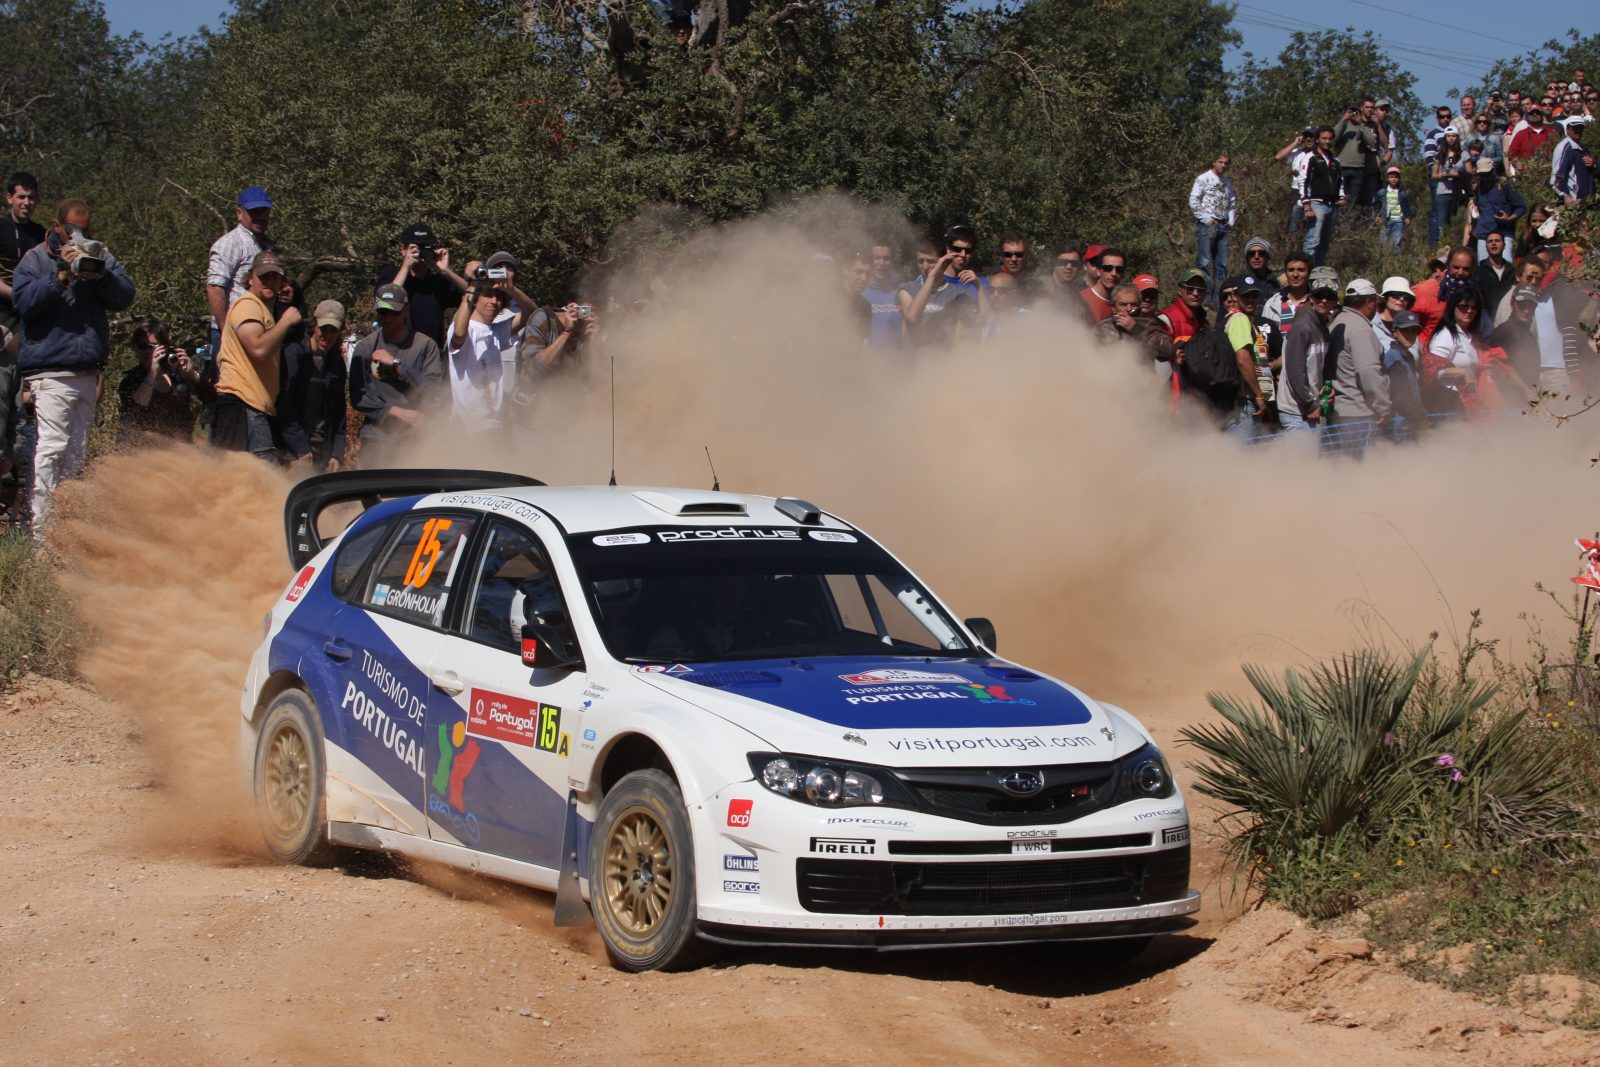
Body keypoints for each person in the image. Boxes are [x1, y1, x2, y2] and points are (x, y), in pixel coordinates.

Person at [12, 198, 135, 538]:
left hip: (86, 370)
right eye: (72, 229)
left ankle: (65, 530)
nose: (79, 235)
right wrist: (60, 275)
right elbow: (23, 302)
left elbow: (125, 295)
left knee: (76, 455)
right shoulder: (36, 258)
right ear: (57, 226)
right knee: (51, 448)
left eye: (85, 228)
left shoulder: (99, 253)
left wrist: (100, 274)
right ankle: (40, 533)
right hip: (51, 371)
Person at [212, 250, 300, 461]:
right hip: (244, 404)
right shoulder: (248, 305)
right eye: (263, 276)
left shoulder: (262, 310)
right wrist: (286, 321)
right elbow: (258, 349)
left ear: (281, 282)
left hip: (252, 406)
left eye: (274, 276)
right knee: (263, 474)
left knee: (240, 474)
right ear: (250, 279)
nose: (269, 281)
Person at [348, 283, 444, 452]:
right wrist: (393, 411)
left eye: (394, 312)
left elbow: (433, 390)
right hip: (376, 436)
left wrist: (397, 366)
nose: (388, 317)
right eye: (383, 312)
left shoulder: (425, 346)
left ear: (406, 310)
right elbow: (358, 396)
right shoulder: (365, 347)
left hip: (415, 437)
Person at [445, 264, 540, 433]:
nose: (494, 301)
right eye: (488, 295)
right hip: (468, 427)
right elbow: (459, 334)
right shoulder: (463, 327)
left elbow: (533, 314)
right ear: (476, 299)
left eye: (499, 297)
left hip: (495, 425)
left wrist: (511, 289)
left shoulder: (497, 331)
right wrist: (472, 286)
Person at [277, 300, 348, 473]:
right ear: (314, 325)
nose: (327, 335)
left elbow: (339, 412)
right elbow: (284, 405)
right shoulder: (295, 354)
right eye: (323, 328)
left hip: (322, 451)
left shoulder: (337, 362)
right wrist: (299, 446)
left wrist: (337, 453)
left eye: (333, 330)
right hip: (293, 451)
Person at [205, 186, 275, 357]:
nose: (260, 216)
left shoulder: (268, 246)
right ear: (239, 213)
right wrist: (227, 330)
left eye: (263, 211)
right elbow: (214, 288)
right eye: (254, 212)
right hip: (233, 333)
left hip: (259, 332)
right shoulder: (230, 244)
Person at [375, 222, 469, 347]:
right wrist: (406, 266)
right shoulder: (391, 274)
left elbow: (471, 294)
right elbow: (386, 299)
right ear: (403, 250)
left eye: (426, 247)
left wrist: (446, 271)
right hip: (396, 350)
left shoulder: (438, 282)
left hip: (431, 352)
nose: (421, 253)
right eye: (417, 248)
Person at [1326, 279, 1390, 452]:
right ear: (1368, 302)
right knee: (1364, 465)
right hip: (1360, 414)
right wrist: (1382, 407)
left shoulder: (1337, 323)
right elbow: (1368, 372)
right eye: (1376, 302)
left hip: (1339, 412)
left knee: (1345, 465)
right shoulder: (1360, 329)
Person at [118, 317, 200, 444]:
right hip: (141, 448)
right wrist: (152, 372)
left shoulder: (178, 375)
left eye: (152, 346)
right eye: (142, 346)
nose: (147, 351)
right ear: (136, 348)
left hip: (179, 447)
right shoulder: (130, 381)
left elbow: (209, 398)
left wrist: (192, 374)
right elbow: (136, 408)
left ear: (164, 347)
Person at [1277, 266, 1340, 431]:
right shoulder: (1302, 328)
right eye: (1319, 296)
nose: (1324, 301)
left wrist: (1326, 391)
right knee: (1302, 450)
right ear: (1311, 298)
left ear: (1335, 301)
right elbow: (1295, 371)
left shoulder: (1323, 328)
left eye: (1329, 296)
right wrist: (1310, 404)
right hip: (1296, 410)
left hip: (1309, 407)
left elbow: (1318, 368)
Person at [899, 231, 985, 347]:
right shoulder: (907, 288)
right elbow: (912, 317)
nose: (925, 266)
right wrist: (932, 277)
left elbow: (963, 335)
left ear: (944, 262)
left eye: (931, 262)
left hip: (941, 357)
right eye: (921, 261)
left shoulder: (960, 294)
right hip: (912, 357)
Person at [1422, 286, 1492, 416]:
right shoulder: (1445, 335)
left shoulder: (1469, 335)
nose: (1469, 311)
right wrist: (1463, 372)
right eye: (1463, 306)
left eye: (1474, 307)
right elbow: (1432, 371)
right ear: (1453, 307)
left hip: (1464, 400)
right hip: (1447, 401)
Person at [1221, 275, 1272, 437]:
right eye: (1245, 296)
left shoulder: (1239, 320)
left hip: (1244, 399)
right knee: (1239, 450)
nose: (1250, 300)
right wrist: (1259, 395)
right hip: (1245, 400)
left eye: (1254, 296)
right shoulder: (1240, 320)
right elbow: (1243, 360)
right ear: (1235, 296)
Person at [0, 172, 45, 331]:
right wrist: (17, 295)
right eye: (21, 197)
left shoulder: (41, 233)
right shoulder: (1, 228)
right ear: (9, 198)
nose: (26, 202)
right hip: (3, 312)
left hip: (32, 312)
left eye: (31, 197)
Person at [1188, 154, 1235, 306]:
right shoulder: (1203, 178)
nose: (1223, 165)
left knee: (1222, 265)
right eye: (1220, 162)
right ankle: (1204, 299)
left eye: (1226, 163)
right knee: (1204, 262)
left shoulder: (1227, 182)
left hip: (1223, 225)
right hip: (1208, 224)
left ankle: (1218, 300)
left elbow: (1231, 202)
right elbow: (1193, 200)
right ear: (1214, 162)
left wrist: (1231, 221)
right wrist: (1206, 218)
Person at [1412, 246, 1476, 348]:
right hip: (1430, 352)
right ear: (1447, 265)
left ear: (1473, 268)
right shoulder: (1424, 291)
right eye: (1456, 267)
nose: (1460, 272)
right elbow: (1403, 323)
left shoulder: (1476, 294)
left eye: (1466, 269)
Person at [1383, 310, 1431, 436]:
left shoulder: (1408, 356)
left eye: (1414, 331)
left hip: (1410, 422)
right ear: (1395, 332)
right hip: (1400, 425)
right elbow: (1400, 396)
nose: (1410, 335)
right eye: (1405, 330)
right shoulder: (1393, 357)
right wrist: (1420, 417)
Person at [1300, 127, 1344, 267]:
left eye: (1330, 139)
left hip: (1332, 205)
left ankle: (1318, 270)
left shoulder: (1335, 160)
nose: (1327, 141)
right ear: (1317, 140)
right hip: (1316, 203)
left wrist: (1341, 196)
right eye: (1324, 138)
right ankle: (1305, 270)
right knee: (1313, 240)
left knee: (1325, 242)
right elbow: (1304, 181)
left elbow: (1340, 181)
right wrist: (1306, 205)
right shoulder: (1310, 157)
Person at [1468, 161, 1526, 263]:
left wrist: (1509, 218)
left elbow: (1521, 207)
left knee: (1506, 263)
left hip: (1504, 232)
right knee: (1484, 266)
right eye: (1481, 175)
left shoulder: (1506, 185)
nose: (1484, 178)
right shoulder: (1478, 189)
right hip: (1484, 233)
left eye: (1487, 174)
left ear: (1493, 171)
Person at [862, 241, 904, 350]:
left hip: (895, 358)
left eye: (886, 258)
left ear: (892, 262)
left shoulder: (901, 292)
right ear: (870, 260)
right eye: (877, 258)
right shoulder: (860, 292)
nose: (881, 263)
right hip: (864, 359)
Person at [1429, 130, 1465, 247]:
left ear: (1457, 138)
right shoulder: (1439, 155)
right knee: (1442, 225)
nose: (1451, 138)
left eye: (1453, 136)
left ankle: (1458, 247)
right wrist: (1443, 175)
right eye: (1448, 136)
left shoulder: (1463, 154)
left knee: (1457, 222)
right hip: (1442, 192)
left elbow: (1469, 173)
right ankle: (1443, 248)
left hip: (1457, 192)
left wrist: (1457, 174)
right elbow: (1434, 175)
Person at [1552, 116, 1596, 205]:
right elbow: (1557, 175)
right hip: (1573, 200)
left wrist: (1593, 164)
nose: (1578, 131)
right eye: (1575, 128)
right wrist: (1565, 195)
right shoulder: (1565, 148)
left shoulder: (1582, 148)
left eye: (1580, 128)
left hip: (1586, 199)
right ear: (1568, 128)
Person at [1079, 247, 1125, 323]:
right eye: (1107, 268)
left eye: (1119, 269)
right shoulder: (1080, 300)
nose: (1114, 273)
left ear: (1123, 274)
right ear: (1098, 271)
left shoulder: (1126, 303)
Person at [1472, 232, 1515, 313]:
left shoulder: (1512, 271)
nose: (1493, 243)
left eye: (1497, 241)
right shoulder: (1479, 272)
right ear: (1486, 246)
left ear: (1504, 245)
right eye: (1490, 241)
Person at [1373, 166, 1413, 251]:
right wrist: (1377, 216)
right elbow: (1376, 205)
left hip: (1398, 220)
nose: (1394, 179)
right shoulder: (1382, 192)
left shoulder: (1402, 193)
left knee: (1396, 242)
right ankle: (1384, 257)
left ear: (1399, 179)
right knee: (1383, 242)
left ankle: (1396, 257)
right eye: (1391, 177)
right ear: (1387, 178)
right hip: (1385, 221)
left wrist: (1408, 217)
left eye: (1396, 177)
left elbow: (1407, 206)